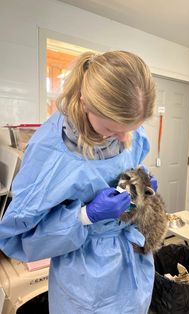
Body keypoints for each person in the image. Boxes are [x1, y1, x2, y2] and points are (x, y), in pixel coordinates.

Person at [0, 50, 157, 313]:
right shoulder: (51, 151)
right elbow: (17, 236)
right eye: (110, 130)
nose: (121, 138)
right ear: (85, 103)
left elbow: (133, 159)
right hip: (85, 277)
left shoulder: (127, 128)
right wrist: (85, 216)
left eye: (128, 129)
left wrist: (141, 183)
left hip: (132, 259)